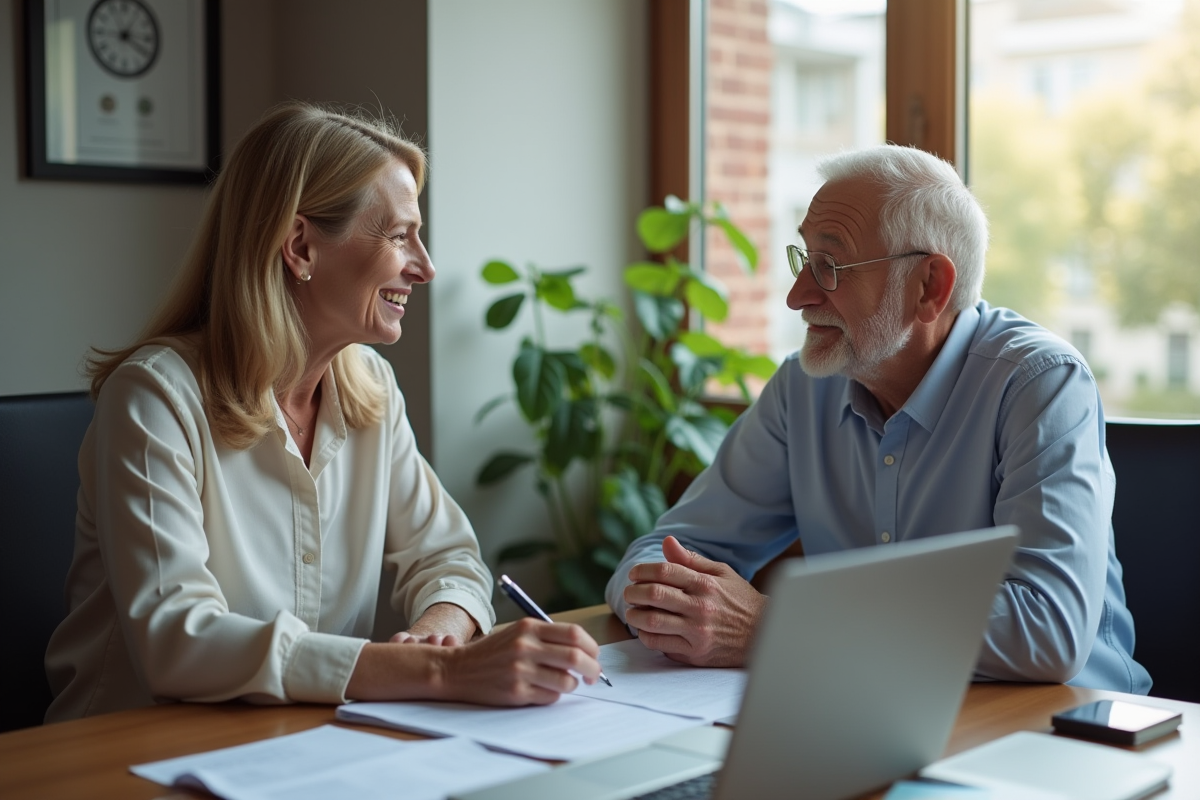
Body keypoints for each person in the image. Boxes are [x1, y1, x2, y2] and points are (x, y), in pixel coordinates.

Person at [44, 102, 601, 723]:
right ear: (302, 246)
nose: (425, 266)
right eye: (398, 236)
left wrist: (440, 635)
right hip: (128, 753)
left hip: (303, 742)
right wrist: (440, 672)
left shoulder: (371, 389)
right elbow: (178, 639)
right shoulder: (153, 397)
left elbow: (449, 559)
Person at [605, 144, 1151, 694]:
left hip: (1066, 730)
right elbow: (665, 550)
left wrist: (778, 628)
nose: (798, 296)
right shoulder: (804, 386)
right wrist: (665, 601)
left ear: (929, 288)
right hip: (874, 708)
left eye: (831, 266)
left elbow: (1047, 630)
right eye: (803, 260)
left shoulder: (1040, 382)